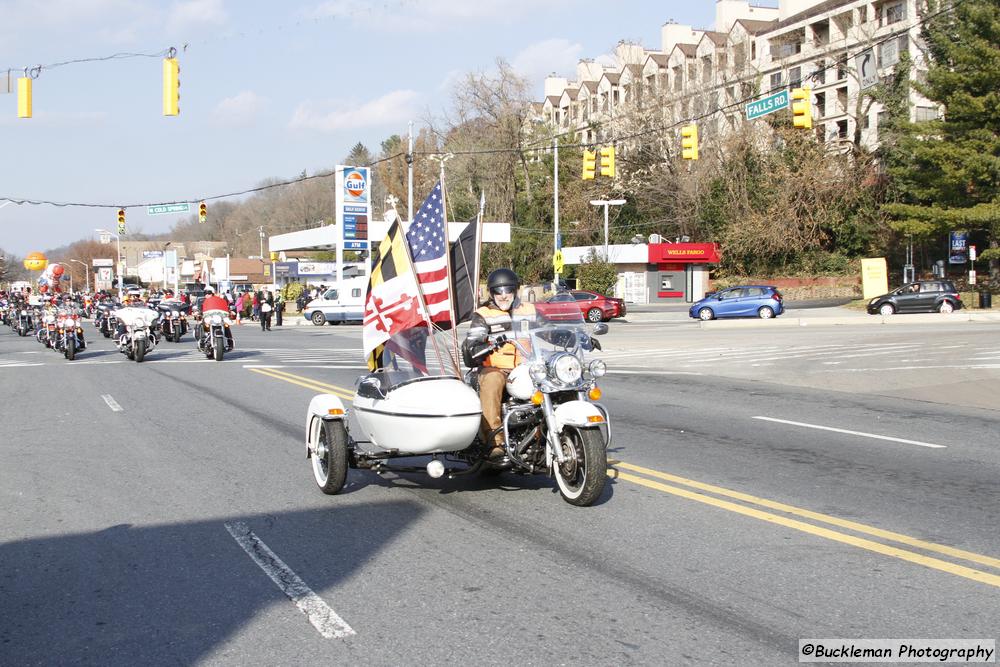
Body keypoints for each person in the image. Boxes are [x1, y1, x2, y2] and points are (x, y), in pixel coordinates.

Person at [462, 268, 537, 461]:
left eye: (508, 290)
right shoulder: (483, 314)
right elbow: (474, 338)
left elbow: (548, 330)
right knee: (493, 380)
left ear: (516, 290)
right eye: (498, 291)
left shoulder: (529, 310)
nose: (504, 296)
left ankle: (546, 433)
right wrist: (477, 347)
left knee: (553, 377)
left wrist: (570, 338)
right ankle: (495, 441)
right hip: (495, 368)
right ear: (492, 293)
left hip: (526, 368)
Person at [199, 286, 234, 350]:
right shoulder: (203, 301)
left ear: (212, 293)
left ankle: (230, 342)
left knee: (226, 326)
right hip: (209, 318)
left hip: (219, 317)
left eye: (209, 293)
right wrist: (198, 313)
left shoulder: (219, 299)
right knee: (202, 324)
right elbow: (201, 310)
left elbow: (225, 305)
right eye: (205, 293)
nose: (207, 295)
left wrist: (230, 311)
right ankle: (202, 342)